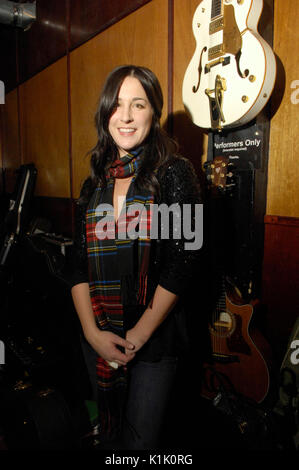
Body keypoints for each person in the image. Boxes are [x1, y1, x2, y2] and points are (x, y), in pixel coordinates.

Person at [70, 65, 202, 450]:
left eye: (138, 105)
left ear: (154, 113)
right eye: (117, 105)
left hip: (152, 342)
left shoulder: (177, 172)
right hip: (98, 332)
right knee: (109, 436)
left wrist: (136, 338)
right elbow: (76, 264)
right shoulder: (94, 181)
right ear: (105, 113)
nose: (125, 117)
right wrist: (94, 334)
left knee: (140, 444)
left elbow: (185, 262)